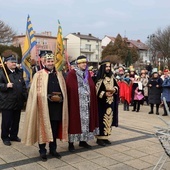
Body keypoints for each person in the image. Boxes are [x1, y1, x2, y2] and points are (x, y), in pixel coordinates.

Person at [22, 52, 68, 161]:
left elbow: (64, 90)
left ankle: (53, 150)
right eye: (48, 61)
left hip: (57, 108)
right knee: (42, 129)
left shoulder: (59, 74)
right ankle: (42, 151)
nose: (50, 63)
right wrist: (46, 97)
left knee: (54, 129)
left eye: (52, 61)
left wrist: (61, 98)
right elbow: (34, 92)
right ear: (44, 62)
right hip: (44, 107)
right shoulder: (38, 74)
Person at [66, 55, 99, 152]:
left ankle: (83, 141)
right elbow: (70, 87)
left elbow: (91, 85)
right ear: (78, 64)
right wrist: (81, 92)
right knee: (74, 122)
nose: (84, 64)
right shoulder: (72, 74)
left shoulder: (87, 73)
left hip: (87, 103)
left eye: (85, 62)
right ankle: (71, 143)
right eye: (82, 63)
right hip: (76, 102)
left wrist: (90, 91)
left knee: (86, 122)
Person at [0, 54, 27, 146]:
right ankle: (5, 137)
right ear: (6, 63)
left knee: (16, 120)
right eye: (12, 62)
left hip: (18, 101)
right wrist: (5, 86)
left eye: (15, 62)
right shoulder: (2, 73)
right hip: (7, 101)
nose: (14, 63)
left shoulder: (19, 72)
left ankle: (13, 135)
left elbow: (23, 86)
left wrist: (25, 96)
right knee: (6, 121)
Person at [95, 60, 119, 146]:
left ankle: (106, 136)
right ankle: (99, 138)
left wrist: (114, 89)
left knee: (109, 119)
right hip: (101, 103)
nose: (108, 68)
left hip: (110, 102)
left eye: (109, 66)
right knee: (101, 120)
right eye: (106, 67)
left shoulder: (112, 77)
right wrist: (104, 93)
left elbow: (116, 86)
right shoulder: (98, 78)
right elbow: (96, 90)